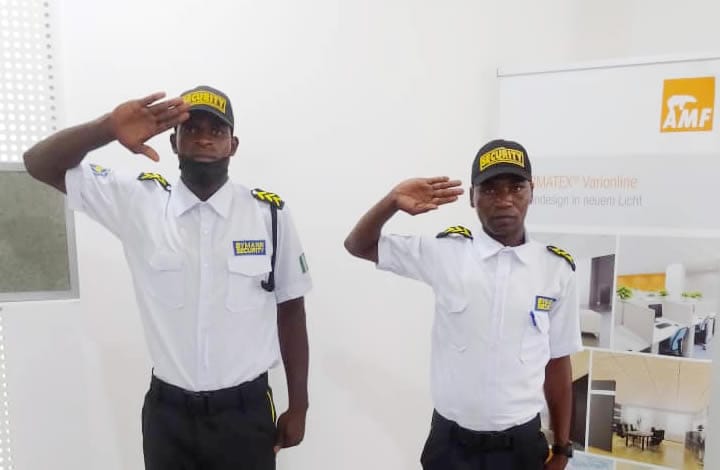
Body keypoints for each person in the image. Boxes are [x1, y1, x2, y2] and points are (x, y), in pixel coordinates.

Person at [23, 86, 312, 470]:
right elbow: (39, 164)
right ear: (174, 141)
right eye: (191, 130)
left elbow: (291, 311)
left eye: (217, 131)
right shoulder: (138, 201)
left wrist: (299, 404)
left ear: (233, 145)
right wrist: (107, 128)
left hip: (245, 414)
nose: (204, 139)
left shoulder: (268, 215)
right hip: (169, 417)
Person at [344, 139, 581, 470]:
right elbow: (358, 245)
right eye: (490, 189)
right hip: (451, 448)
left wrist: (562, 448)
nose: (505, 200)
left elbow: (557, 362)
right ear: (472, 197)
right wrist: (392, 201)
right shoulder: (447, 253)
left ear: (532, 192)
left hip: (521, 450)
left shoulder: (555, 270)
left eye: (516, 188)